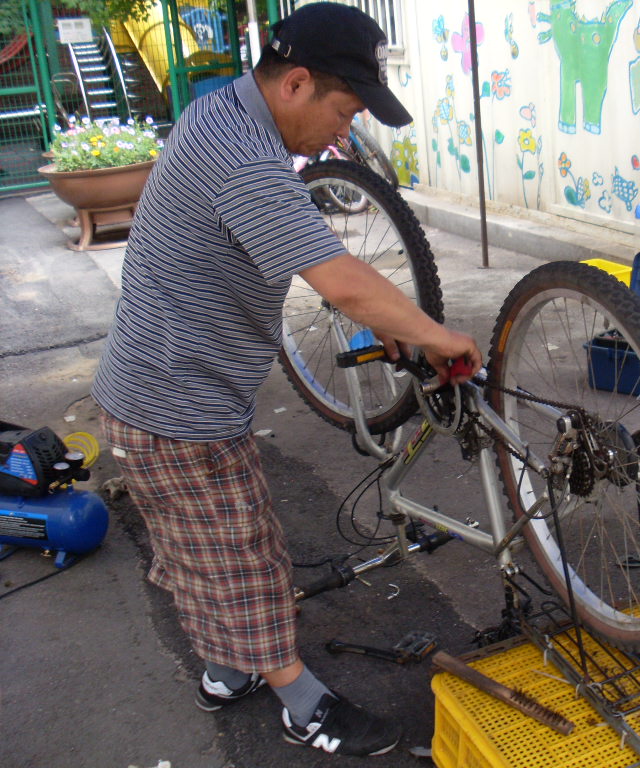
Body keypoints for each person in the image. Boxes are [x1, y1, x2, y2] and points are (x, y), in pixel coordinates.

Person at [91, 3, 481, 758]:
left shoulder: (220, 117)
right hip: (176, 406)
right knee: (246, 556)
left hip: (157, 392)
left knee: (201, 549)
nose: (343, 133)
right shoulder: (240, 154)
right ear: (296, 82)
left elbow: (330, 277)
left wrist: (399, 327)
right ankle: (302, 704)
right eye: (345, 110)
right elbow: (338, 279)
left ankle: (224, 670)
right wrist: (438, 336)